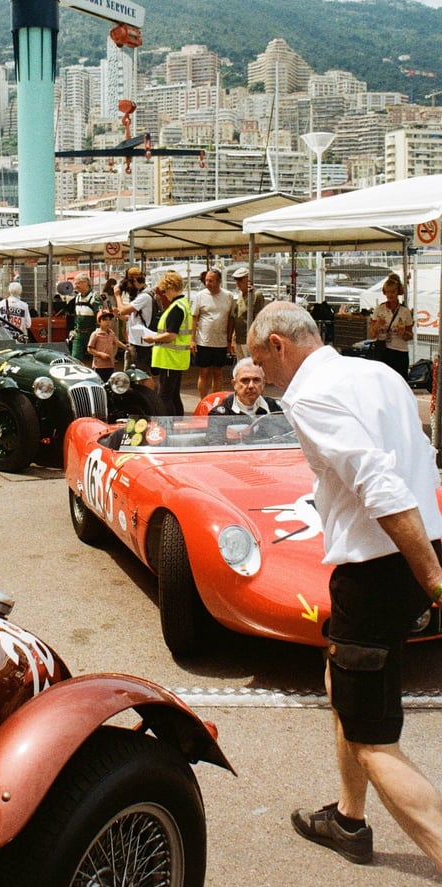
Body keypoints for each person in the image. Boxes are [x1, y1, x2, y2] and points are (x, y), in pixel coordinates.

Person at [248, 301, 442, 872]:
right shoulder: (376, 372)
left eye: (262, 363)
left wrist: (431, 578)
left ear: (279, 345)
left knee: (372, 739)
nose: (264, 378)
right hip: (415, 548)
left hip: (382, 568)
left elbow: (375, 481)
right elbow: (419, 457)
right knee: (342, 679)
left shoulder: (308, 393)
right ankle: (349, 819)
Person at [143, 270, 192, 415]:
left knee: (164, 396)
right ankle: (178, 423)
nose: (164, 294)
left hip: (170, 358)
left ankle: (167, 426)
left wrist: (152, 338)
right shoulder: (183, 304)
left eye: (164, 291)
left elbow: (171, 335)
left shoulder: (176, 308)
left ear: (170, 288)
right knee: (174, 395)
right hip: (176, 358)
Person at [205, 358, 283, 444]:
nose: (251, 386)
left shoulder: (276, 409)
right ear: (234, 384)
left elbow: (290, 440)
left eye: (256, 380)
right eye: (245, 380)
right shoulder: (220, 415)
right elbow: (215, 447)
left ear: (263, 384)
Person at [191, 268, 234, 398]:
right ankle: (203, 400)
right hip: (203, 341)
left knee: (218, 372)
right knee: (203, 372)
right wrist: (192, 339)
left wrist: (229, 340)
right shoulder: (200, 296)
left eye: (210, 280)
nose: (207, 283)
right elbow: (194, 318)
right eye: (206, 280)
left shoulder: (228, 296)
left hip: (220, 342)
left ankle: (216, 400)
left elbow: (231, 319)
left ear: (219, 281)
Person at [368, 272, 413, 380]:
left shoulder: (405, 311)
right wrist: (377, 325)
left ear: (398, 292)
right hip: (382, 351)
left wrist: (403, 333)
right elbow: (371, 335)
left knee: (400, 382)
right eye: (388, 292)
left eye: (393, 292)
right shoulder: (379, 309)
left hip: (400, 352)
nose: (390, 295)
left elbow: (410, 336)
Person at [114, 268, 155, 383]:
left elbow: (123, 310)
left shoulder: (144, 296)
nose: (127, 287)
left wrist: (117, 295)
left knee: (143, 374)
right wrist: (118, 315)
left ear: (135, 281)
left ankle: (148, 397)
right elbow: (131, 318)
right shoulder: (143, 294)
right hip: (136, 341)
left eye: (128, 283)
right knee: (134, 373)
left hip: (141, 342)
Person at [231, 267, 266, 359]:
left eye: (240, 279)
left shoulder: (256, 295)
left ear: (248, 279)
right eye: (236, 280)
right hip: (239, 339)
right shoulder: (240, 294)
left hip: (249, 339)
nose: (237, 282)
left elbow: (259, 319)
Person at [87, 310, 128, 381]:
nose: (108, 322)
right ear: (99, 322)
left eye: (109, 320)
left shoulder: (111, 333)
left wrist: (126, 347)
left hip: (110, 364)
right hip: (99, 366)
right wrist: (100, 354)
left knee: (109, 382)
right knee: (100, 382)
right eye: (105, 320)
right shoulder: (95, 334)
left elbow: (116, 342)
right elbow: (89, 349)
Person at [69, 273, 101, 363]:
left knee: (97, 360)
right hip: (78, 334)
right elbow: (76, 316)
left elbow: (100, 317)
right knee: (75, 359)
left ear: (86, 283)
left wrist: (98, 333)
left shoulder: (94, 298)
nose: (75, 286)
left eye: (78, 283)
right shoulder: (77, 298)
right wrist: (74, 330)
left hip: (92, 333)